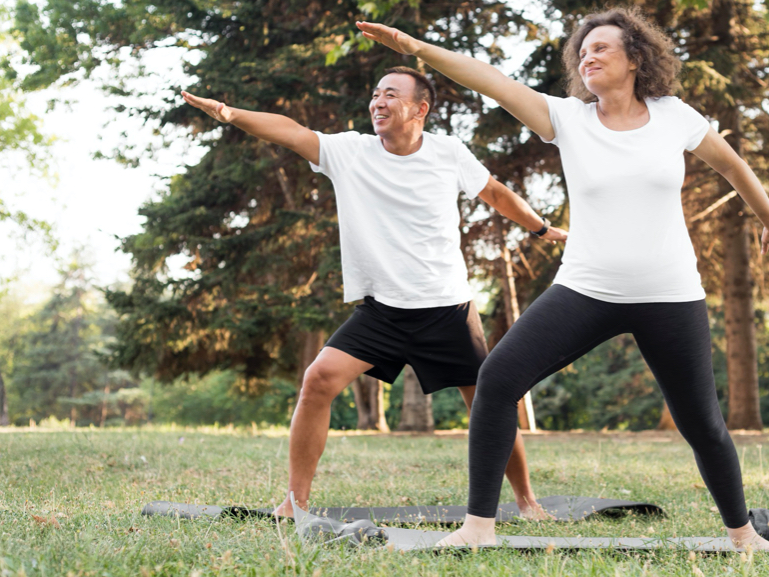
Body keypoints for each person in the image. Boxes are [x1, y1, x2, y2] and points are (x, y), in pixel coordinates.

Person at [357, 9, 769, 550]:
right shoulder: (567, 118)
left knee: (703, 423)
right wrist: (416, 47)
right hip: (587, 290)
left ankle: (742, 535)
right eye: (582, 52)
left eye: (602, 49)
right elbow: (492, 80)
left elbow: (733, 166)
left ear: (636, 58)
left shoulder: (673, 116)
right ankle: (478, 529)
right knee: (497, 381)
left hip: (669, 294)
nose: (587, 57)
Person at [181, 65, 567, 520]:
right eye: (375, 93)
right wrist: (230, 113)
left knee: (488, 403)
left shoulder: (448, 152)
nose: (378, 102)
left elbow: (497, 194)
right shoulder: (350, 151)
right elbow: (290, 132)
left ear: (420, 109)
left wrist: (542, 229)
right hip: (383, 312)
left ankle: (526, 501)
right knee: (317, 381)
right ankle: (294, 501)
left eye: (391, 95)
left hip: (447, 307)